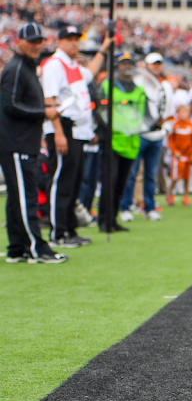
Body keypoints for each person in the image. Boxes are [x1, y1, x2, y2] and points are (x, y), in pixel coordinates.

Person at [0, 23, 68, 264]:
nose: (36, 45)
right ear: (19, 42)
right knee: (25, 197)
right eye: (31, 41)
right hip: (16, 144)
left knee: (18, 196)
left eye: (39, 41)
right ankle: (37, 248)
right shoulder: (16, 69)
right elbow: (10, 105)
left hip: (21, 143)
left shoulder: (26, 68)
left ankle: (18, 248)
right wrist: (43, 112)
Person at [40, 24, 110, 247]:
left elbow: (91, 73)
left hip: (78, 131)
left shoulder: (73, 66)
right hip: (63, 128)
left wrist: (103, 49)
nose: (74, 43)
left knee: (74, 181)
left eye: (76, 39)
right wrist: (58, 132)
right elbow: (50, 100)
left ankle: (69, 228)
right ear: (60, 41)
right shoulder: (54, 65)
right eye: (69, 39)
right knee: (62, 181)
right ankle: (57, 232)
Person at [97, 52, 151, 233]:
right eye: (123, 64)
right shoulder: (107, 85)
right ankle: (104, 220)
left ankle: (113, 219)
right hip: (113, 141)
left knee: (122, 183)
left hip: (131, 142)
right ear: (117, 66)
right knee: (109, 182)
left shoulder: (139, 89)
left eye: (129, 63)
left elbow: (144, 115)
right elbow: (100, 111)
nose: (126, 67)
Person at [120, 51, 175, 222]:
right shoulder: (137, 83)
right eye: (154, 64)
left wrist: (166, 129)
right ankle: (126, 206)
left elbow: (169, 110)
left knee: (150, 175)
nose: (156, 67)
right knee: (132, 173)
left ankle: (149, 207)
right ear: (146, 65)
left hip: (156, 135)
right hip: (140, 134)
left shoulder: (165, 86)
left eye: (159, 64)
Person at [166, 103, 192, 207]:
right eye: (181, 112)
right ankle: (170, 194)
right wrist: (174, 151)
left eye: (186, 112)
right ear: (177, 113)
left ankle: (186, 196)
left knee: (187, 177)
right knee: (175, 176)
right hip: (177, 156)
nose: (184, 114)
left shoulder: (191, 125)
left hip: (188, 156)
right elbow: (170, 140)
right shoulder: (175, 125)